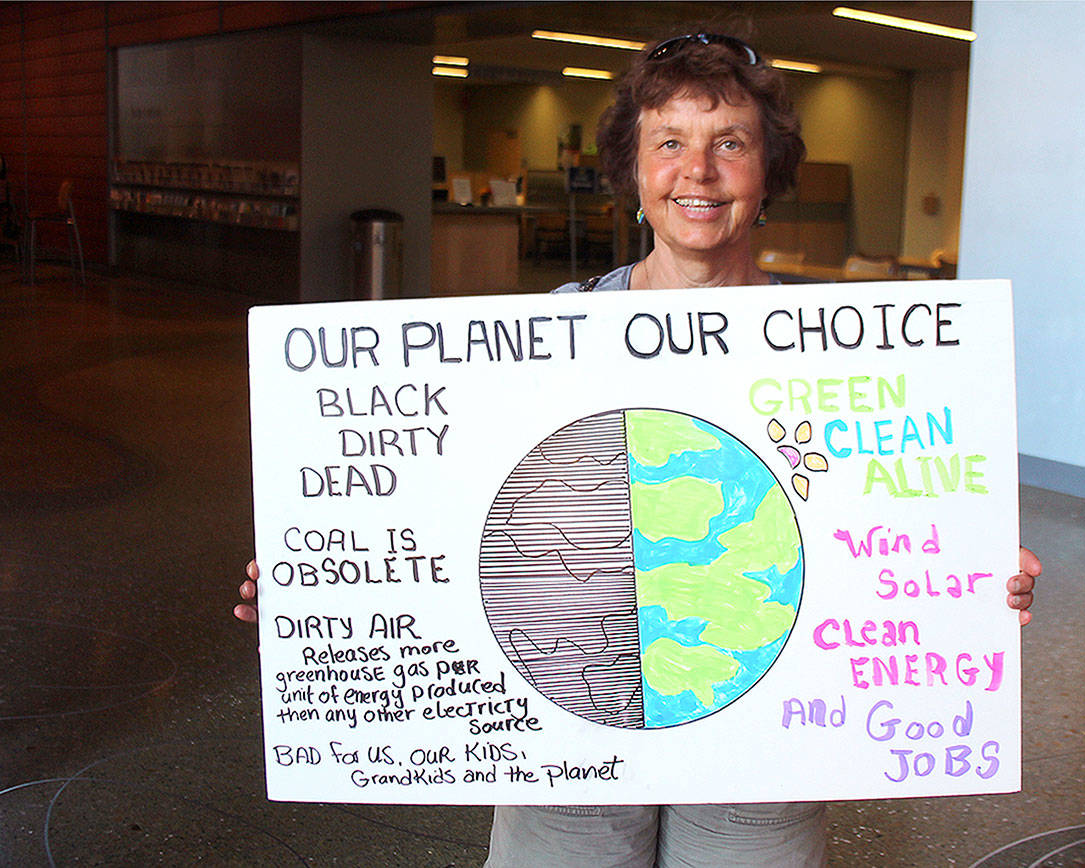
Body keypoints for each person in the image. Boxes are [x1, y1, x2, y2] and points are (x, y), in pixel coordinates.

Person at [237, 30, 1040, 867]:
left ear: (769, 172)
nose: (699, 171)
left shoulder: (839, 352)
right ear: (634, 171)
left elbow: (889, 526)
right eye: (669, 143)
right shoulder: (547, 330)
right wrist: (324, 580)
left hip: (762, 749)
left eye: (731, 143)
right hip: (571, 729)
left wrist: (971, 573)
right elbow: (447, 494)